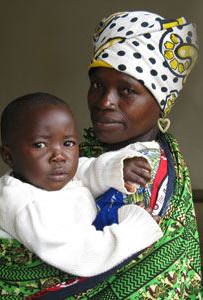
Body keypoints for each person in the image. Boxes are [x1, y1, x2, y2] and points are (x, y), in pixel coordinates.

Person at [28, 10, 201, 299]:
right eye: (98, 85)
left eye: (126, 91)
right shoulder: (98, 149)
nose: (104, 102)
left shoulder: (140, 177)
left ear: (160, 105)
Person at [0, 92, 162, 298]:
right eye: (40, 145)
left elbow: (87, 170)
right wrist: (134, 230)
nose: (59, 156)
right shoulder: (26, 204)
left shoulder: (45, 174)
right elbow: (80, 255)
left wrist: (117, 168)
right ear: (9, 156)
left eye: (68, 143)